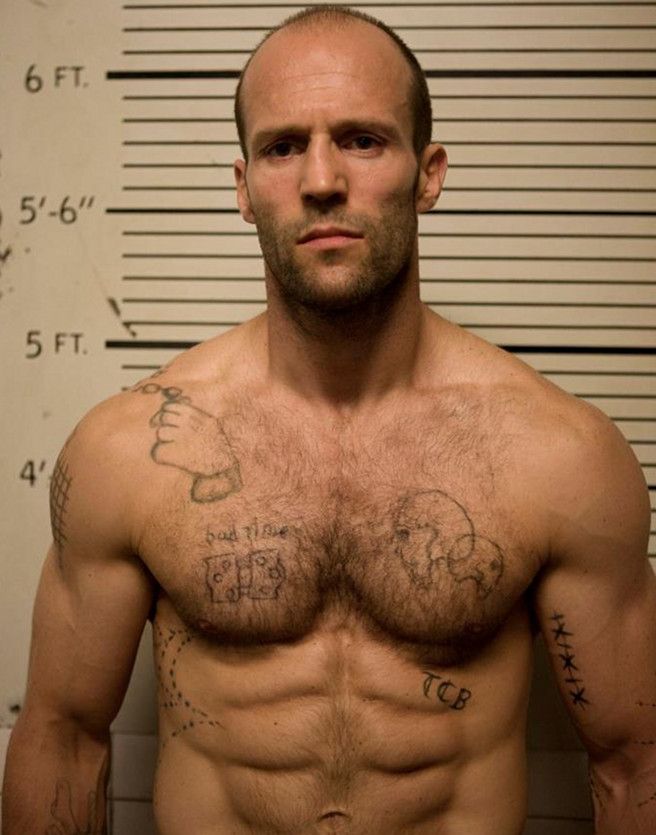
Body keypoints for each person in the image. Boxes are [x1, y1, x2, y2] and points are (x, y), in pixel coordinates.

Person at [3, 6, 655, 834]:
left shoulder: (560, 457)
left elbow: (633, 763)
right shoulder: (128, 451)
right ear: (244, 188)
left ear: (429, 174)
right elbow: (63, 742)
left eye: (362, 140)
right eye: (282, 147)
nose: (321, 180)